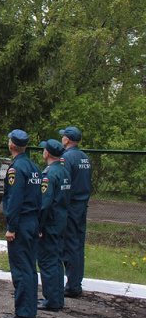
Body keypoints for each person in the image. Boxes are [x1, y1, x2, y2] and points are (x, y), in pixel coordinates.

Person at [1, 129, 42, 318]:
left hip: (22, 223)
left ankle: (24, 313)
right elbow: (40, 198)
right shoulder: (34, 167)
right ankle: (29, 309)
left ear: (11, 145)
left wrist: (12, 227)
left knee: (21, 268)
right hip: (33, 221)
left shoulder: (16, 169)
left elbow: (15, 200)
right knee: (30, 268)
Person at [37, 139, 71, 312]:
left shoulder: (49, 174)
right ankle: (57, 299)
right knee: (57, 260)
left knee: (47, 260)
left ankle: (51, 300)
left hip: (50, 223)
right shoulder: (64, 171)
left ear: (47, 153)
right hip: (61, 220)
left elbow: (44, 204)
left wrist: (39, 226)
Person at [60, 125, 92, 298]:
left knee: (70, 243)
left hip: (71, 205)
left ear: (67, 140)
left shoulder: (67, 158)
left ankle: (72, 285)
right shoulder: (84, 157)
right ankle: (76, 281)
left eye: (63, 137)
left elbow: (64, 184)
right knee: (79, 243)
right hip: (82, 204)